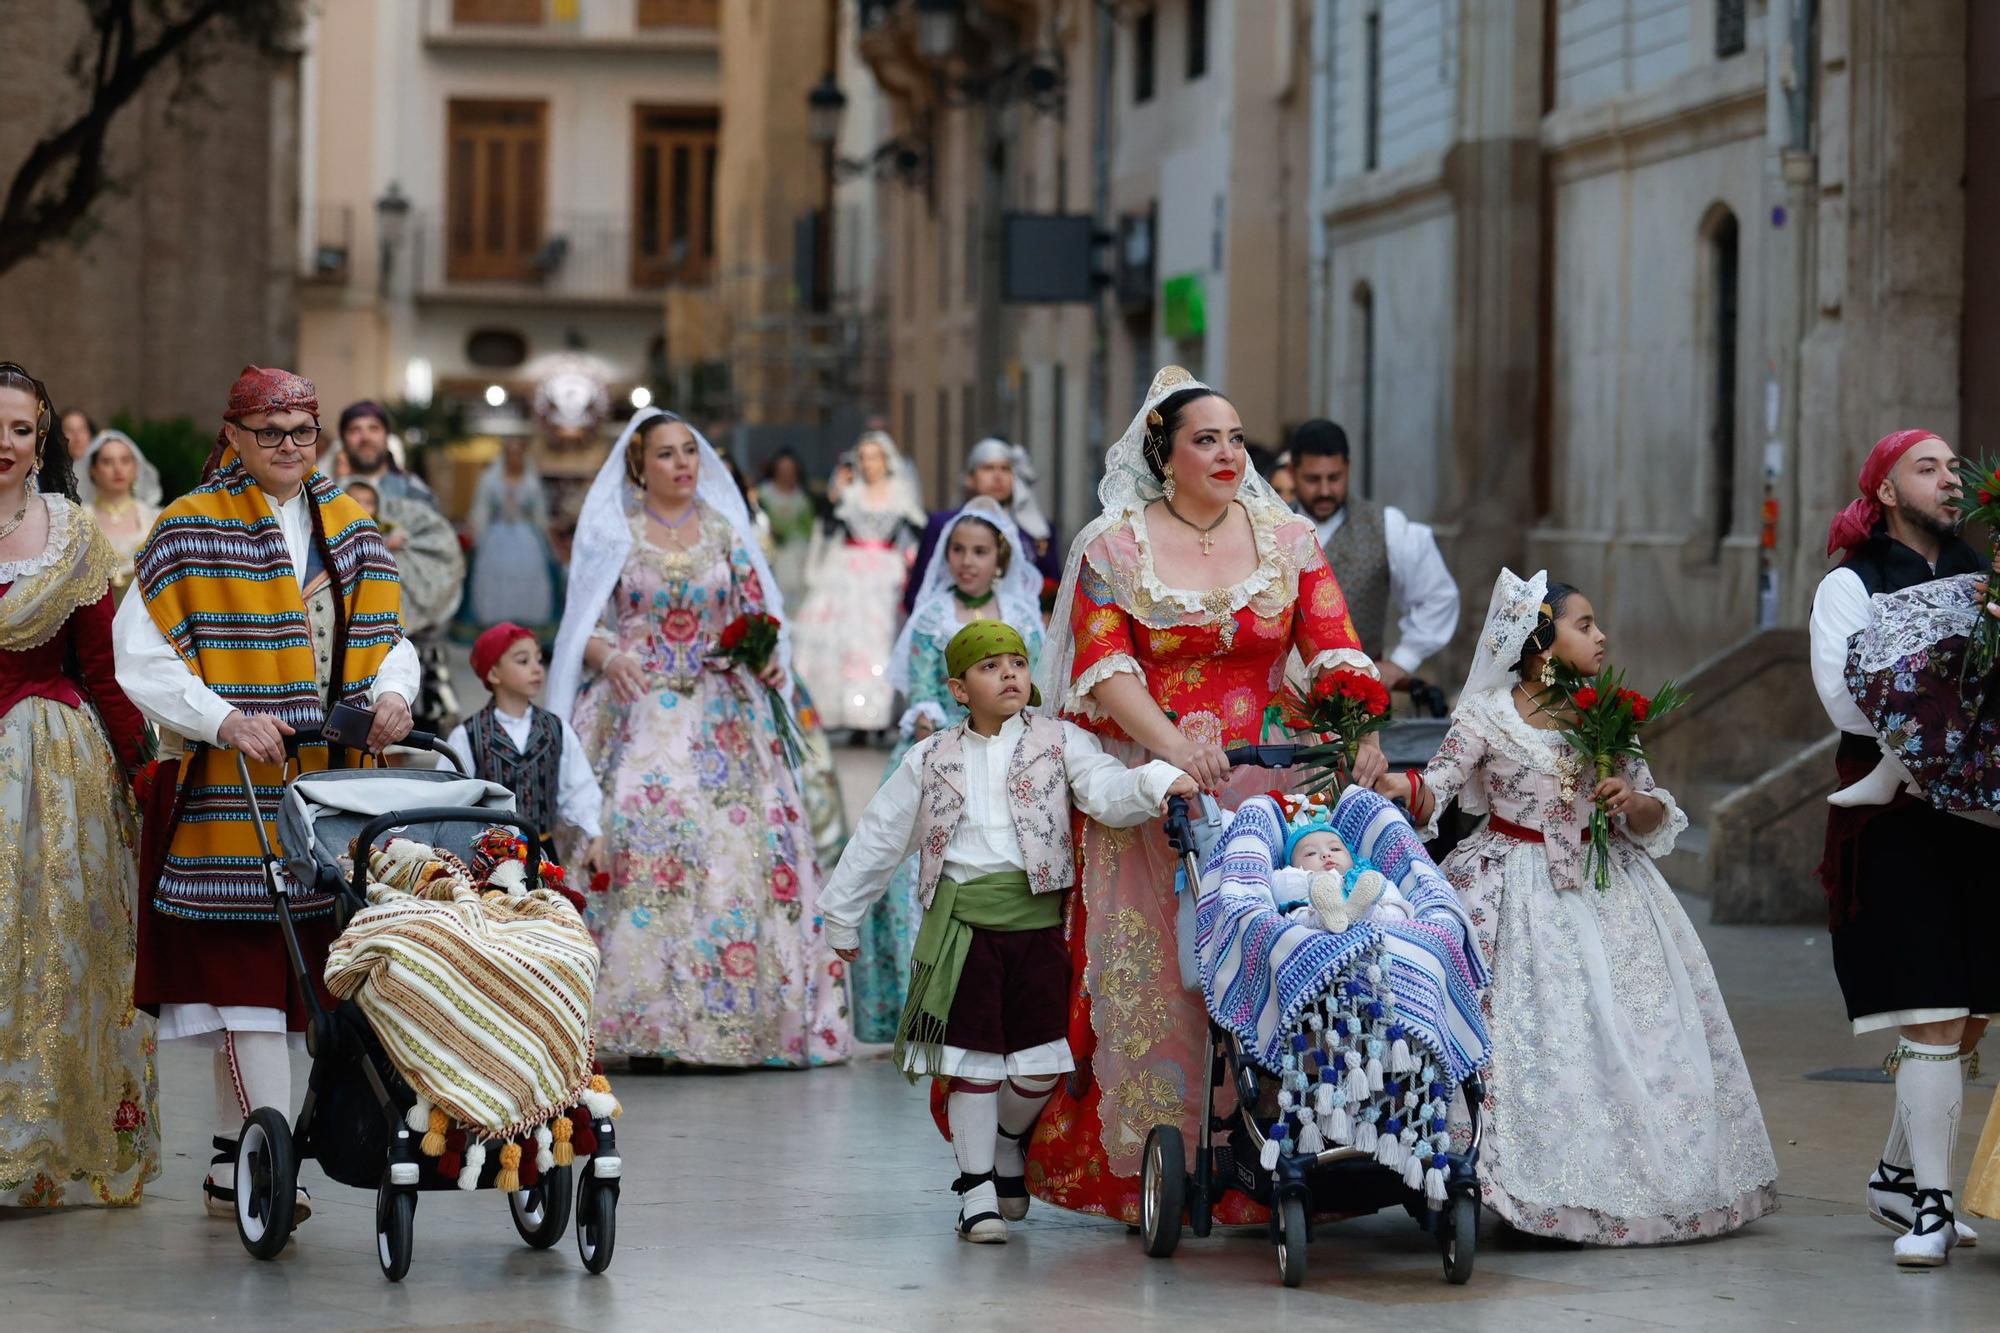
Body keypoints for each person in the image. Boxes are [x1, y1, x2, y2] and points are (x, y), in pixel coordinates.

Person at [1023, 365, 1382, 1223]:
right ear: (1165, 453)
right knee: (1174, 976)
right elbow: (1104, 670)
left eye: (1235, 437)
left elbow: (1336, 646)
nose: (1228, 453)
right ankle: (1172, 1160)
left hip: (1277, 779)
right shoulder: (1114, 546)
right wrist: (1175, 748)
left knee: (1282, 946)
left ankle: (1287, 1146)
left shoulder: (1289, 539)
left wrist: (1358, 725)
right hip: (1164, 786)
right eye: (1206, 439)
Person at [1377, 569, 1778, 1244]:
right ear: (1540, 637)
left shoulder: (1603, 713)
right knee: (1534, 1038)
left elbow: (1652, 813)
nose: (1601, 636)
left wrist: (1632, 799)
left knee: (1634, 1035)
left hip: (1606, 885)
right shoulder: (1487, 714)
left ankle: (1633, 1185)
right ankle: (1520, 1183)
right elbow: (1436, 786)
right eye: (1583, 624)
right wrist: (1391, 780)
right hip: (1513, 888)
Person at [113, 365, 418, 1221]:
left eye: (303, 431)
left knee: (295, 983)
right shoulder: (187, 528)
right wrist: (222, 719)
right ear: (235, 437)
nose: (290, 446)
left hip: (335, 795)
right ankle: (268, 1166)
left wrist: (394, 693)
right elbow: (141, 655)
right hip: (230, 793)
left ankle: (232, 1163)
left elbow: (395, 637)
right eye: (272, 431)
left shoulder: (352, 527)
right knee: (248, 978)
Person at [820, 621, 1195, 1241]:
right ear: (959, 689)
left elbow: (1105, 792)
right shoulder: (931, 757)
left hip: (1037, 928)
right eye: (990, 666)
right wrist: (843, 914)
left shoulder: (1060, 741)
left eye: (1017, 663)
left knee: (1039, 1066)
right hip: (962, 930)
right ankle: (976, 1196)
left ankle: (1006, 1143)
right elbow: (880, 837)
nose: (1010, 675)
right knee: (974, 1067)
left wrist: (1156, 780)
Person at [547, 407, 850, 1068]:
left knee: (732, 859)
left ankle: (730, 1023)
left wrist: (770, 655)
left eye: (690, 451)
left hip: (723, 716)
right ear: (638, 466)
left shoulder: (724, 531)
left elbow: (757, 614)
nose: (682, 464)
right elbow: (580, 629)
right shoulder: (612, 534)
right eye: (666, 454)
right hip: (637, 711)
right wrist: (610, 656)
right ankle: (639, 1023)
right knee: (637, 849)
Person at [1808, 428, 1998, 1266]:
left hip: (1978, 815)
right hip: (1896, 824)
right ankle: (1930, 1205)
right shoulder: (1848, 585)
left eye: (1955, 467)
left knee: (1966, 1016)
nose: (1948, 479)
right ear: (1886, 490)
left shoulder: (1984, 576)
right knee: (1930, 1006)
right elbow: (1847, 699)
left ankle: (1894, 1172)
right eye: (1928, 467)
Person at [0, 363, 160, 1207]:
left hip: (53, 780)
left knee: (51, 960)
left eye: (21, 429)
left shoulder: (73, 534)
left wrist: (142, 767)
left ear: (42, 441)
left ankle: (36, 1153)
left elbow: (105, 669)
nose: (5, 442)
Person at [847, 497, 1046, 1043]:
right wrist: (930, 719)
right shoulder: (931, 616)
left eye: (979, 551)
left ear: (1000, 558)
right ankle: (920, 1004)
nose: (967, 561)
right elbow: (921, 690)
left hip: (1010, 753)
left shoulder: (1023, 616)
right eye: (957, 550)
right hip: (940, 748)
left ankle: (992, 1000)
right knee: (906, 870)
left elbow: (1037, 687)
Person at [1290, 419, 1460, 691]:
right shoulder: (1272, 527)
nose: (1324, 490)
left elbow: (1438, 595)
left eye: (1334, 478)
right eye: (1312, 479)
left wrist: (1403, 660)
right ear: (1292, 472)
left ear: (1348, 468)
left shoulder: (1386, 526)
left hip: (1357, 699)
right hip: (1282, 699)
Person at [793, 429, 924, 738]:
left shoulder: (900, 492)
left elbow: (918, 528)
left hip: (886, 576)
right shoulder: (851, 493)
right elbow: (829, 525)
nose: (868, 464)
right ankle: (853, 714)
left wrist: (911, 559)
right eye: (863, 458)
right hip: (849, 574)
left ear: (886, 460)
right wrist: (833, 498)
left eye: (874, 457)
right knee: (849, 641)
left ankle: (880, 714)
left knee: (882, 641)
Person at [445, 622, 602, 869]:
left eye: (539, 660)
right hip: (489, 858)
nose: (537, 669)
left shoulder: (556, 729)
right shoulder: (467, 735)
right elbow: (449, 796)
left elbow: (578, 787)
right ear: (494, 673)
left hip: (543, 854)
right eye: (522, 661)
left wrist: (594, 833)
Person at [903, 438, 1063, 615]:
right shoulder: (943, 525)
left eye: (1005, 468)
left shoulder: (1037, 530)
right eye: (988, 468)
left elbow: (1055, 591)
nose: (998, 477)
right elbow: (917, 593)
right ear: (970, 478)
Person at [466, 437, 561, 630]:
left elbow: (539, 515)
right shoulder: (490, 480)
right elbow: (481, 511)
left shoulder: (531, 482)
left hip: (526, 538)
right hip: (497, 537)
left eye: (518, 455)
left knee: (528, 577)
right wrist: (477, 534)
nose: (515, 459)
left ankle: (526, 622)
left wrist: (550, 540)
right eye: (511, 454)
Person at [76, 428, 164, 601]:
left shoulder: (153, 518)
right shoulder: (79, 519)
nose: (118, 469)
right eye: (107, 462)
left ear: (135, 468)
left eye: (125, 461)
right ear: (92, 470)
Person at [337, 400, 437, 508]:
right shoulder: (329, 495)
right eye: (355, 430)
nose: (365, 437)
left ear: (387, 436)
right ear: (343, 439)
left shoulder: (413, 491)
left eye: (373, 428)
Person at [760, 450, 821, 611]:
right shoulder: (763, 494)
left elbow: (810, 530)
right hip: (772, 554)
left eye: (790, 470)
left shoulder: (802, 499)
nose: (786, 474)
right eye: (782, 469)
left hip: (797, 556)